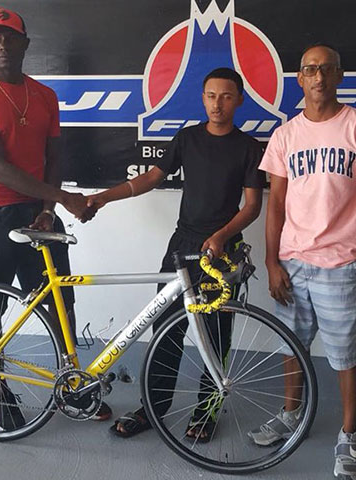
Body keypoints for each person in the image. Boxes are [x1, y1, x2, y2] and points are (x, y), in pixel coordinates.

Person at [86, 67, 267, 441]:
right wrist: (104, 197)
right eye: (211, 95)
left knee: (216, 336)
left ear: (239, 100)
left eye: (227, 96)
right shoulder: (187, 138)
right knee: (165, 330)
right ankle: (153, 408)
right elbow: (151, 177)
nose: (218, 103)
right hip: (182, 247)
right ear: (203, 98)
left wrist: (220, 236)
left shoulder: (249, 147)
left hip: (223, 254)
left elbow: (251, 207)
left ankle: (207, 411)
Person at [252, 43, 356, 480]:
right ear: (299, 78)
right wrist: (272, 260)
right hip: (293, 262)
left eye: (327, 69)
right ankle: (289, 415)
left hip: (341, 264)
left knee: (345, 354)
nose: (318, 77)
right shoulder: (286, 135)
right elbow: (275, 202)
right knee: (291, 346)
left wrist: (352, 212)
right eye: (310, 69)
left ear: (339, 76)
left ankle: (349, 435)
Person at [0, 8, 110, 431]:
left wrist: (49, 209)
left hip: (39, 211)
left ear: (26, 43)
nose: (3, 45)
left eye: (11, 37)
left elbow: (54, 157)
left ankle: (71, 385)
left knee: (59, 299)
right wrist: (64, 198)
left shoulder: (44, 96)